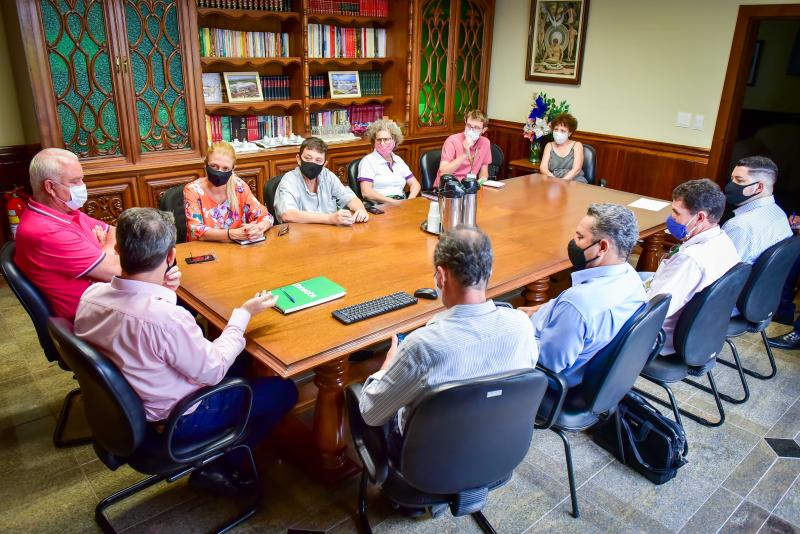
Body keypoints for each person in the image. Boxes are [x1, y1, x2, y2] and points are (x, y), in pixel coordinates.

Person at [74, 208, 297, 490]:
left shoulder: (90, 296)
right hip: (179, 420)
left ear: (118, 249)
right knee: (284, 390)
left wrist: (164, 291)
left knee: (240, 358)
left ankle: (231, 437)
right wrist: (243, 315)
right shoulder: (165, 318)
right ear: (170, 256)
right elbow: (212, 371)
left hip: (128, 411)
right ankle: (221, 466)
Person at [359, 226, 538, 442]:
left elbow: (372, 414)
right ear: (489, 272)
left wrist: (385, 369)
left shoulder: (421, 346)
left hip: (428, 460)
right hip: (500, 447)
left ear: (442, 276)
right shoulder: (522, 326)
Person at [14, 148, 158, 322]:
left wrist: (102, 251)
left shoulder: (65, 211)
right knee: (174, 309)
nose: (83, 186)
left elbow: (114, 229)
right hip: (97, 321)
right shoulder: (46, 231)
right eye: (75, 181)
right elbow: (118, 270)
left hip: (109, 302)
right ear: (50, 187)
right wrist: (105, 248)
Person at [520, 204, 647, 386]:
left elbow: (549, 362)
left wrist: (514, 334)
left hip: (547, 378)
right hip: (592, 373)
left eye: (580, 237)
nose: (573, 241)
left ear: (602, 247)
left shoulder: (578, 304)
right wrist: (542, 310)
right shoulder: (631, 278)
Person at [643, 179, 740, 355]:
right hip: (702, 335)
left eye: (676, 213)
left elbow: (651, 311)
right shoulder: (725, 241)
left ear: (700, 217)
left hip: (658, 338)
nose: (671, 218)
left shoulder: (690, 260)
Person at [184, 141, 273, 242]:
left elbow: (266, 216)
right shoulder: (193, 190)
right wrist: (232, 234)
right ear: (206, 164)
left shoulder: (240, 187)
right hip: (204, 252)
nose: (219, 172)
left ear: (233, 169)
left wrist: (259, 228)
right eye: (214, 166)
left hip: (237, 251)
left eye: (225, 168)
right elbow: (195, 230)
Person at [275, 137, 369, 225]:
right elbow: (287, 214)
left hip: (329, 234)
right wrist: (329, 218)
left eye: (318, 160)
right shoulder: (289, 180)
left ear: (324, 164)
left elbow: (349, 197)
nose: (312, 163)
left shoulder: (327, 175)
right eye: (308, 158)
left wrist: (360, 209)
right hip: (301, 237)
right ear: (299, 159)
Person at [721, 156, 792, 264]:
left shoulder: (739, 226)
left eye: (739, 180)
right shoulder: (780, 214)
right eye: (732, 179)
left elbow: (720, 271)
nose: (731, 185)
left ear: (759, 187)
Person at [357, 119, 421, 205]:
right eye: (379, 140)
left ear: (394, 140)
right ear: (374, 142)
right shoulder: (368, 161)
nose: (382, 143)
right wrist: (394, 202)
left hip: (401, 203)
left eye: (386, 139)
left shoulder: (398, 160)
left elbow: (415, 184)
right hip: (381, 205)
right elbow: (366, 192)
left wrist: (409, 201)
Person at [436, 110, 492, 186]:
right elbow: (443, 172)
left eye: (476, 127)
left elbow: (484, 173)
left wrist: (478, 184)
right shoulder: (452, 141)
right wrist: (465, 154)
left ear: (483, 130)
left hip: (469, 187)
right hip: (448, 187)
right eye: (469, 126)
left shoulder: (485, 143)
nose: (471, 130)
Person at [540, 113, 586, 183]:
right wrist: (553, 179)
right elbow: (543, 167)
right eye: (556, 129)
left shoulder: (577, 145)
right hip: (553, 181)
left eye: (562, 131)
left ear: (570, 132)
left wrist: (562, 182)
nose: (558, 133)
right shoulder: (549, 145)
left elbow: (576, 170)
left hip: (574, 181)